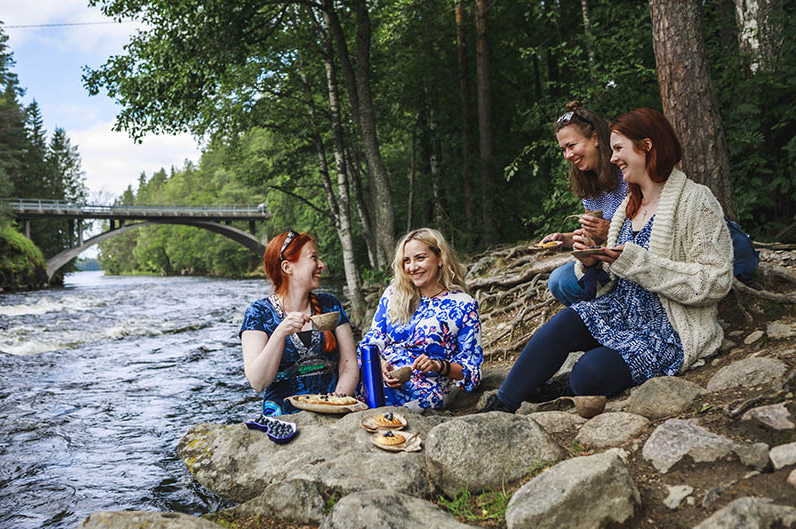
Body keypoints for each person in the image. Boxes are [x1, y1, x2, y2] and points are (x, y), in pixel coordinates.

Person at [480, 108, 733, 413]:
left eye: (618, 149)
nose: (612, 159)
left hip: (668, 329)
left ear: (647, 146)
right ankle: (501, 405)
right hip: (621, 310)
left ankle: (565, 384)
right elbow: (611, 276)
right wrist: (591, 261)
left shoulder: (696, 200)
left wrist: (637, 261)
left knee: (589, 373)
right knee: (563, 323)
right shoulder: (630, 204)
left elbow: (716, 282)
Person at [358, 228, 484, 412]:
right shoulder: (394, 293)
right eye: (406, 261)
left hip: (426, 386)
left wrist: (437, 365)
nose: (412, 267)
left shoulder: (463, 305)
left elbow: (472, 373)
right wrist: (380, 362)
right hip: (379, 376)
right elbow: (372, 339)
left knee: (380, 409)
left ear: (440, 258)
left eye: (420, 258)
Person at [240, 230, 358, 416]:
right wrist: (280, 333)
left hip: (335, 412)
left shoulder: (330, 304)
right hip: (282, 419)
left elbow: (349, 365)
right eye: (313, 258)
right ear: (288, 267)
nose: (321, 265)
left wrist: (335, 403)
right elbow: (258, 382)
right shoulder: (258, 313)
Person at [544, 100, 629, 306]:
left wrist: (610, 230)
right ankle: (602, 312)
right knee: (558, 281)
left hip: (633, 259)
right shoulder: (587, 182)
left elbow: (647, 229)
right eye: (563, 149)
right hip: (605, 260)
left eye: (572, 145)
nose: (568, 155)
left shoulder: (626, 170)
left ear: (596, 138)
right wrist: (563, 239)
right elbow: (593, 237)